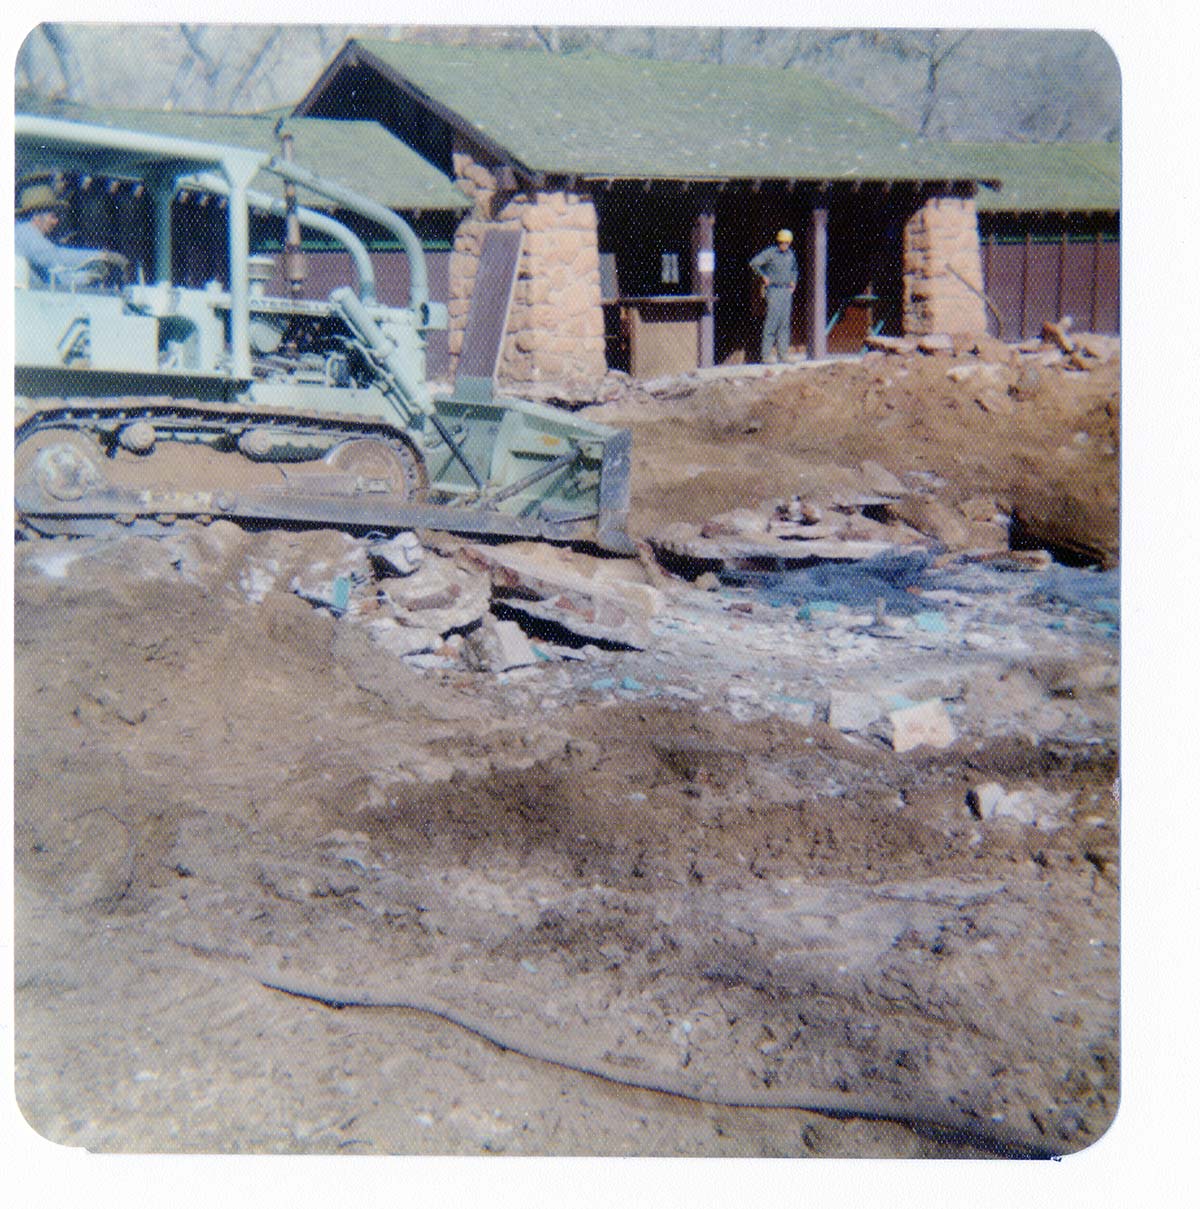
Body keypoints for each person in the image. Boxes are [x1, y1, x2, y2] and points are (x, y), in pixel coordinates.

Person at [15, 178, 129, 287]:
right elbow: (56, 257)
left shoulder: (27, 236)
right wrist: (101, 256)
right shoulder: (24, 233)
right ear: (37, 216)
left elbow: (53, 277)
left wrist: (89, 277)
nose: (56, 222)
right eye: (53, 216)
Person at [749, 229, 799, 363]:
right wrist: (763, 276)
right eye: (783, 242)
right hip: (774, 290)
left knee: (784, 323)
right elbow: (754, 263)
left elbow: (794, 269)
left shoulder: (791, 255)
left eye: (787, 243)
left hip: (786, 291)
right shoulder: (770, 253)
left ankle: (783, 354)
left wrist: (794, 281)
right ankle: (765, 355)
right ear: (778, 241)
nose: (785, 245)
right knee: (772, 322)